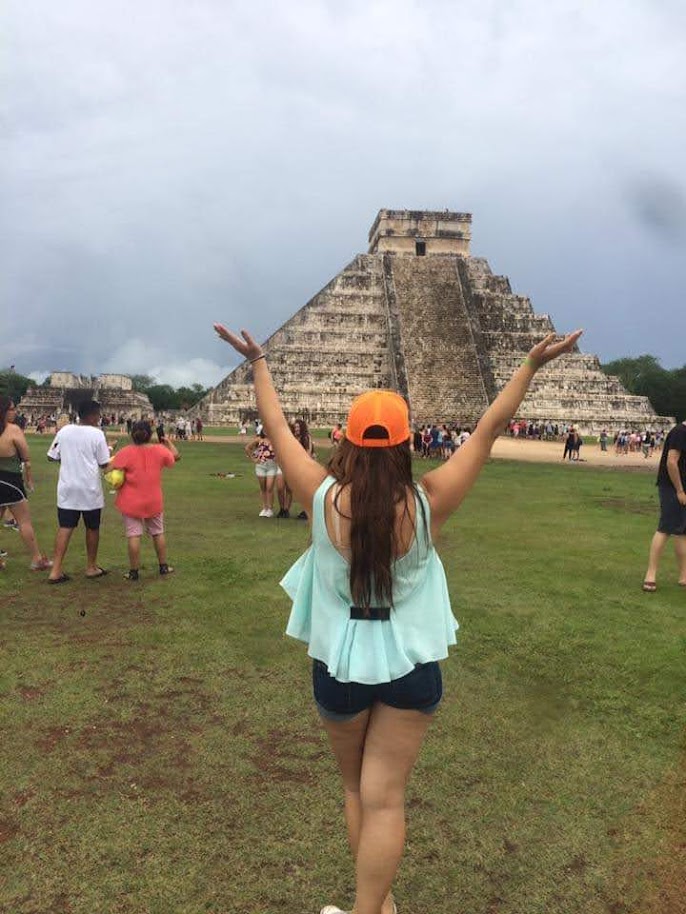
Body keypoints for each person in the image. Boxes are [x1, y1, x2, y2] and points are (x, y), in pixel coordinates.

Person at [214, 322, 582, 914]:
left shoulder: (322, 498)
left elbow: (277, 428)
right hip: (412, 666)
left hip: (339, 666)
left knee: (357, 792)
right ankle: (377, 908)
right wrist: (530, 366)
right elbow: (488, 429)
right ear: (406, 443)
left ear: (347, 440)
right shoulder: (428, 502)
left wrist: (259, 361)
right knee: (386, 799)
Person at [46, 400, 112, 584]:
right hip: (89, 488)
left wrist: (70, 459)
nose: (99, 418)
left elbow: (52, 456)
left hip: (68, 487)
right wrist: (110, 451)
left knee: (65, 527)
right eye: (98, 415)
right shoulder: (97, 434)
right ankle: (91, 567)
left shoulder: (65, 431)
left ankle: (55, 570)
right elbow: (104, 463)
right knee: (92, 527)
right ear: (92, 416)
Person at [106, 420, 180, 580]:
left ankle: (134, 572)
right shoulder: (160, 450)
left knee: (134, 535)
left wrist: (111, 450)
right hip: (153, 499)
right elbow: (175, 456)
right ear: (150, 434)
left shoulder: (126, 452)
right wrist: (168, 443)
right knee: (158, 532)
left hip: (131, 500)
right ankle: (163, 566)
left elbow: (107, 468)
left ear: (132, 435)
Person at [0, 396, 52, 571]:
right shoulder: (13, 430)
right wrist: (29, 478)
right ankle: (37, 559)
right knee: (24, 521)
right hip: (10, 481)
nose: (14, 412)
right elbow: (26, 457)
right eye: (12, 409)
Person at [642, 419, 686, 592]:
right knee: (665, 528)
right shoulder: (680, 432)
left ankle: (684, 575)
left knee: (682, 531)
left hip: (682, 487)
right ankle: (650, 574)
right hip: (672, 487)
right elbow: (671, 462)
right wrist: (679, 490)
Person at [245, 430, 282, 517]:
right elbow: (247, 448)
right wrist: (253, 459)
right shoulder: (259, 439)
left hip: (272, 466)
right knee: (263, 488)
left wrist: (278, 458)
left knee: (269, 487)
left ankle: (270, 509)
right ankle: (265, 508)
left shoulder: (275, 440)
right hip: (260, 466)